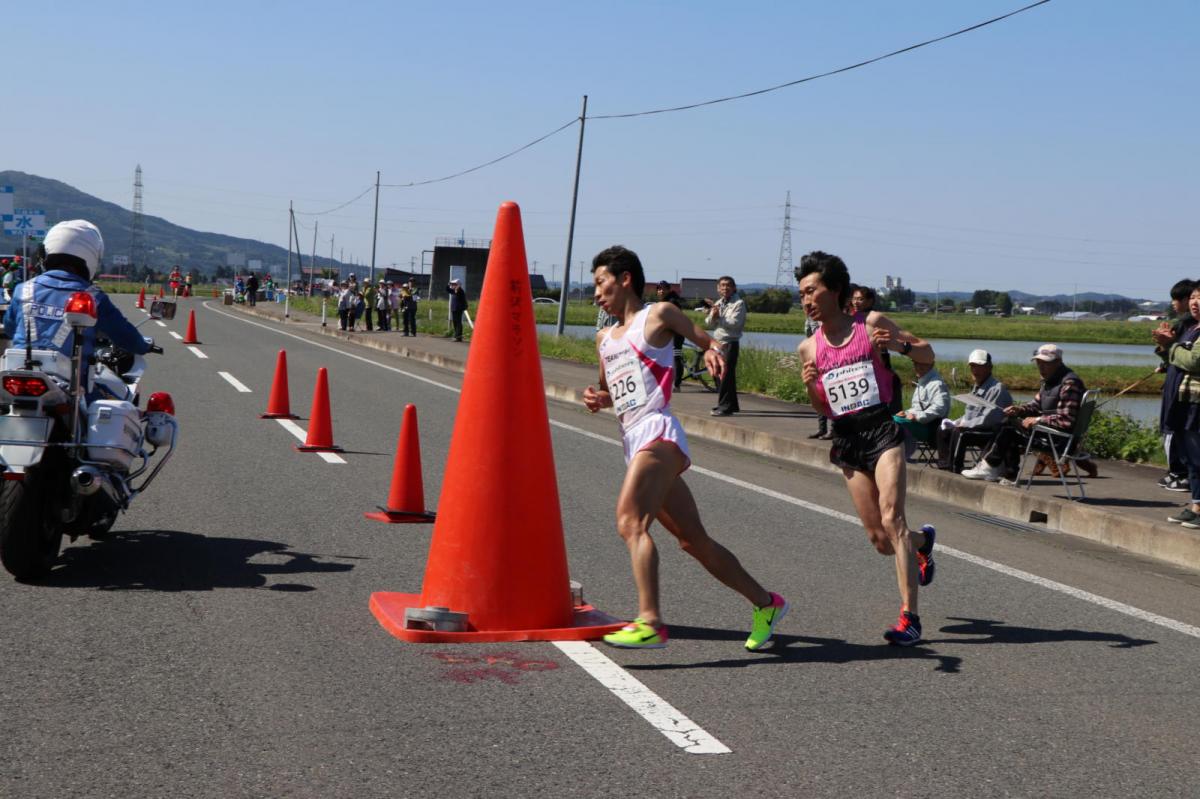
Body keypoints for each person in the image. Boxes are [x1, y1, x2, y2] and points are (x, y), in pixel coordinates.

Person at [583, 245, 788, 651]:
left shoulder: (657, 315)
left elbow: (704, 338)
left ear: (625, 279)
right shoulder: (604, 338)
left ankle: (650, 622)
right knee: (694, 541)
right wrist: (598, 399)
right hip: (632, 440)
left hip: (658, 433)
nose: (596, 293)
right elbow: (612, 393)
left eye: (601, 283)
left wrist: (711, 350)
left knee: (629, 522)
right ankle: (766, 603)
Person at [796, 251, 937, 646]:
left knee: (894, 520)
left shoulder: (870, 324)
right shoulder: (808, 349)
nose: (805, 300)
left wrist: (900, 347)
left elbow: (928, 354)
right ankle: (923, 542)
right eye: (801, 293)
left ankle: (910, 618)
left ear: (835, 290)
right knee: (880, 540)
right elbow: (824, 407)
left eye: (811, 291)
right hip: (848, 439)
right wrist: (811, 385)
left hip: (883, 429)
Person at [3, 220, 151, 390]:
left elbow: (10, 329)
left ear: (45, 253)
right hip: (71, 387)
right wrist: (143, 346)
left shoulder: (24, 289)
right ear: (92, 257)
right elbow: (127, 337)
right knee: (120, 400)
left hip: (15, 380)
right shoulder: (94, 297)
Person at [962, 344, 1088, 483]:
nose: (1041, 367)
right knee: (1006, 422)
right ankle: (1001, 471)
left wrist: (1038, 419)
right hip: (1050, 434)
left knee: (1008, 430)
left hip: (1059, 441)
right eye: (1039, 363)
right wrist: (1019, 409)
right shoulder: (1050, 381)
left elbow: (1066, 420)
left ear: (1058, 362)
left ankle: (992, 468)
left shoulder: (1069, 383)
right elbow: (1035, 405)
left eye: (1045, 363)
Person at [935, 349, 1012, 473]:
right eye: (973, 366)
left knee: (959, 432)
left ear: (989, 367)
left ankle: (955, 467)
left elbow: (989, 419)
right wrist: (955, 421)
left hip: (991, 430)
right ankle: (944, 464)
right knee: (943, 429)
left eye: (979, 366)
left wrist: (964, 425)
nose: (975, 370)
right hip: (977, 427)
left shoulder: (997, 389)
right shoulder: (977, 387)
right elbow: (969, 414)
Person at [1161, 284, 1200, 527]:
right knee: (1192, 458)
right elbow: (1179, 360)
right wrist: (1166, 346)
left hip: (1197, 404)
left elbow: (1195, 360)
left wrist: (1172, 346)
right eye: (1194, 297)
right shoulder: (1193, 328)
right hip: (1187, 401)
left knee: (1197, 456)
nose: (1195, 302)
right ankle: (1196, 504)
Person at [1153, 278, 1197, 493]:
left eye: (1177, 299)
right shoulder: (1187, 325)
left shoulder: (1189, 326)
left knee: (1176, 431)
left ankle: (1179, 473)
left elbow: (1189, 360)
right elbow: (1175, 356)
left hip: (1187, 392)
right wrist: (1164, 349)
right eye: (1194, 298)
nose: (1174, 303)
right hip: (1176, 384)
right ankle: (1179, 474)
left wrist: (1168, 344)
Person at [851, 285, 903, 415]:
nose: (856, 302)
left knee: (888, 411)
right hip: (857, 373)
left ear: (870, 301)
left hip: (879, 370)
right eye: (854, 298)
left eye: (860, 299)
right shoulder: (849, 319)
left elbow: (899, 335)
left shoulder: (876, 318)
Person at [894, 357, 950, 460]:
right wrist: (906, 413)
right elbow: (917, 407)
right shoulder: (923, 381)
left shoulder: (937, 384)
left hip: (931, 428)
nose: (918, 367)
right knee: (892, 418)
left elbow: (940, 408)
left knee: (896, 422)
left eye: (922, 364)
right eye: (916, 364)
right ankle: (900, 455)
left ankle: (904, 456)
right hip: (922, 424)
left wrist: (917, 417)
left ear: (932, 364)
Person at [705, 275, 745, 417]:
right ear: (718, 288)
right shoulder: (719, 302)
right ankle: (732, 404)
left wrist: (719, 315)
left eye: (728, 285)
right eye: (722, 285)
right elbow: (709, 323)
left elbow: (735, 323)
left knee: (725, 375)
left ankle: (725, 406)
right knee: (721, 375)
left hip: (730, 343)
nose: (725, 288)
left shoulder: (738, 303)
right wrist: (713, 314)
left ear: (734, 288)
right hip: (717, 343)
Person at [655, 280, 686, 389]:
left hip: (677, 333)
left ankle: (677, 384)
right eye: (659, 289)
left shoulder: (672, 302)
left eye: (663, 288)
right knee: (668, 357)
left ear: (668, 289)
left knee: (676, 357)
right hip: (669, 333)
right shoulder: (665, 301)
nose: (661, 291)